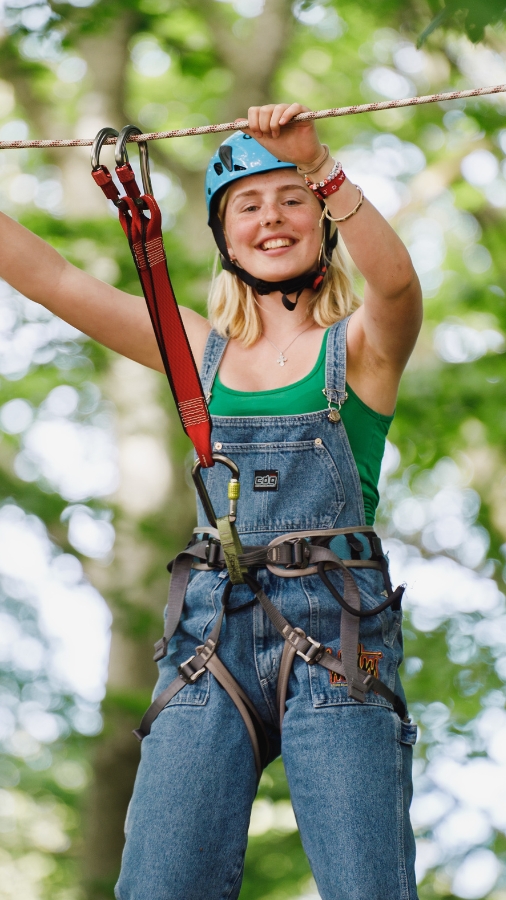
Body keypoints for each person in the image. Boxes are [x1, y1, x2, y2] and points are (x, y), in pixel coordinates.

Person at [0, 103, 422, 900]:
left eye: (291, 200)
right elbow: (53, 279)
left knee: (367, 887)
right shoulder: (194, 349)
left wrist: (321, 165)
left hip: (339, 634)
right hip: (212, 633)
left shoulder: (359, 351)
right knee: (158, 884)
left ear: (322, 220)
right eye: (248, 206)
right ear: (225, 239)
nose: (272, 218)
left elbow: (396, 284)